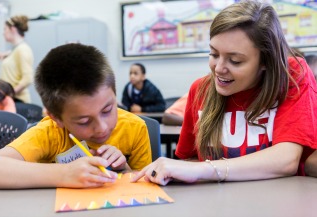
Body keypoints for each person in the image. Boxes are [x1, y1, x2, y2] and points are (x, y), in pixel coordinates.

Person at [132, 0, 317, 185]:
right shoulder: (200, 89)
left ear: (265, 62)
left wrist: (207, 168)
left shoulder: (292, 75)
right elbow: (188, 161)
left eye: (235, 60)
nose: (218, 69)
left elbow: (286, 160)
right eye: (213, 54)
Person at [0, 43, 152, 189]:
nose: (102, 127)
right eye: (84, 121)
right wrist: (64, 173)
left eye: (108, 110)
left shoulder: (135, 128)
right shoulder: (49, 133)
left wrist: (124, 169)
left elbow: (145, 186)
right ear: (57, 118)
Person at [0, 15, 34, 103]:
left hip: (18, 100)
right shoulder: (14, 50)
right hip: (12, 99)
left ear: (13, 29)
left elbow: (27, 79)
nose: (3, 33)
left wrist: (9, 95)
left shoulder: (22, 49)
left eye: (5, 29)